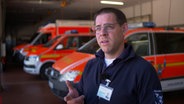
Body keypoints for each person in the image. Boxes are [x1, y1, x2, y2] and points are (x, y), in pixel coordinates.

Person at [64, 7, 163, 104]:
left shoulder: (143, 70)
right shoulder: (90, 65)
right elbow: (83, 92)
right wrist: (77, 96)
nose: (102, 33)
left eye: (109, 27)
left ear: (124, 29)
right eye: (98, 28)